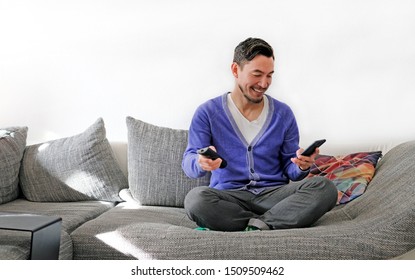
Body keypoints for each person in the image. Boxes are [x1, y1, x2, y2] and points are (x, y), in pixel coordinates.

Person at [181, 37, 337, 231]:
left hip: (275, 195)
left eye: (269, 75)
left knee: (325, 188)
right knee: (196, 199)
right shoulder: (207, 113)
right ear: (235, 70)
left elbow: (291, 170)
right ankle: (269, 222)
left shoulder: (283, 113)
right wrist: (199, 162)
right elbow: (189, 163)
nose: (264, 83)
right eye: (257, 74)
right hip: (230, 198)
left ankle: (257, 224)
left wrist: (301, 166)